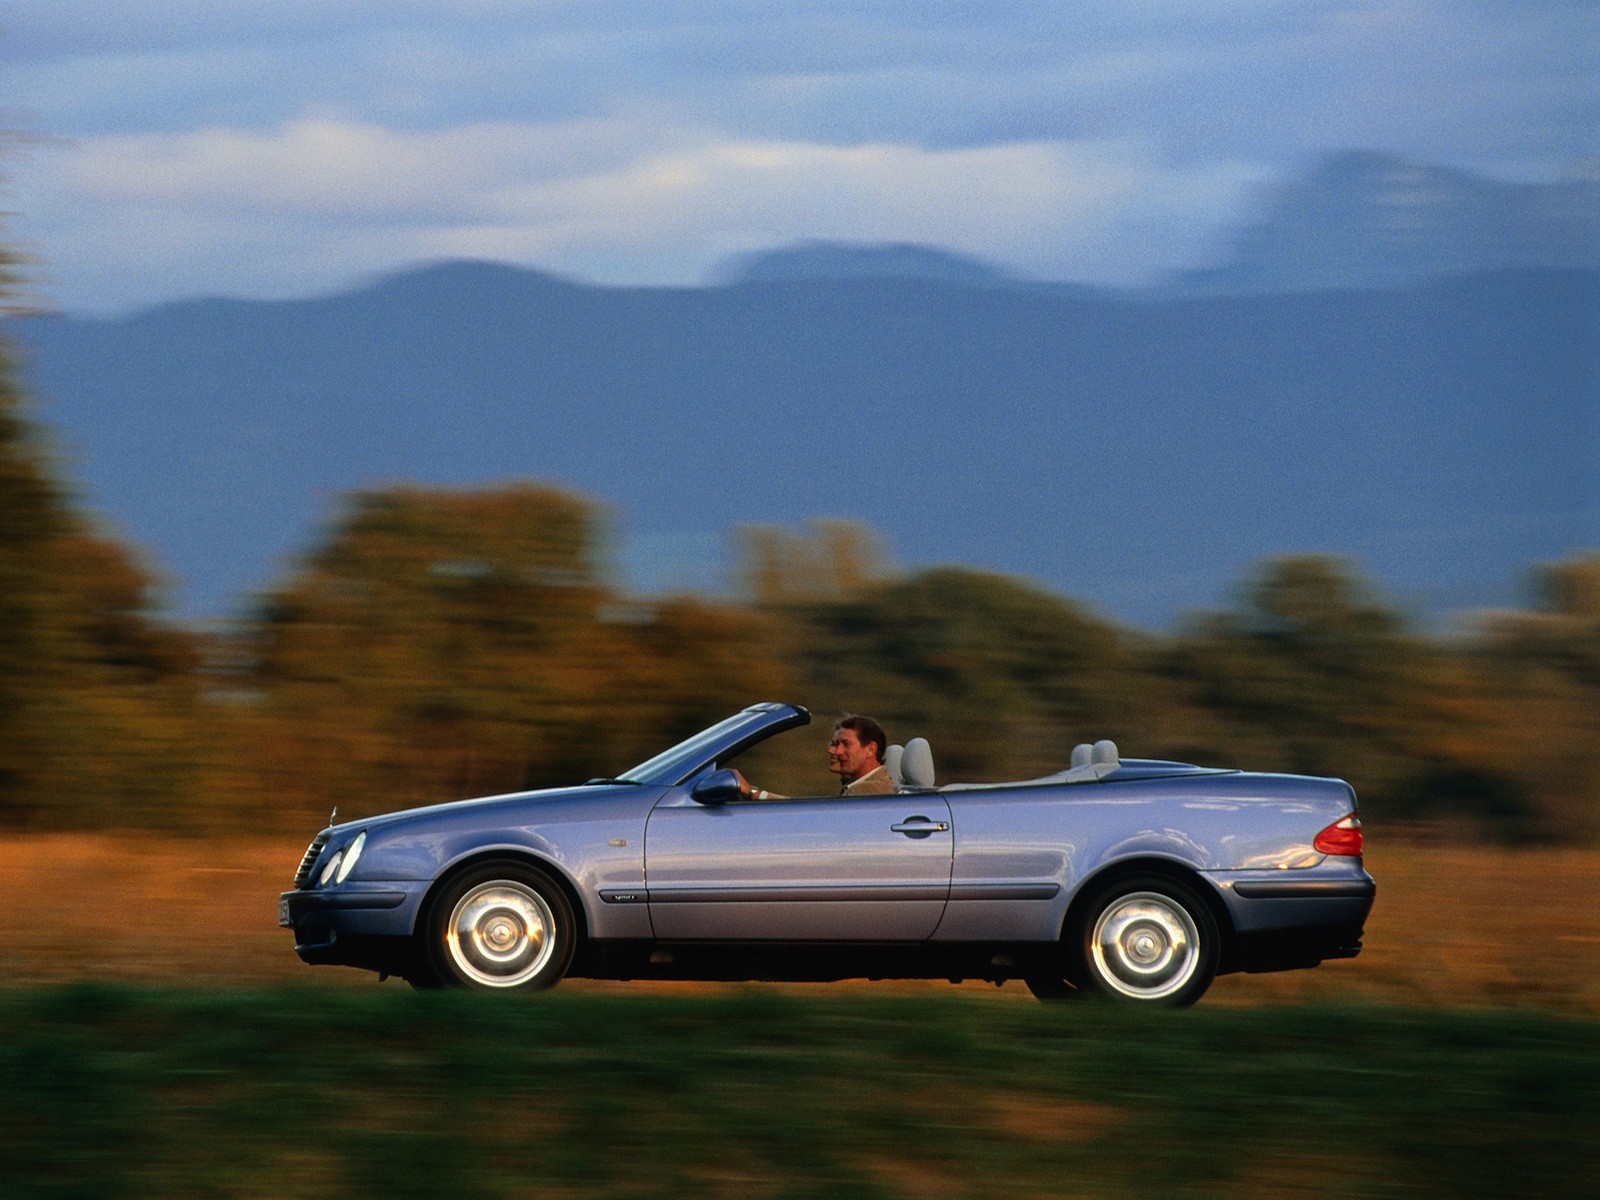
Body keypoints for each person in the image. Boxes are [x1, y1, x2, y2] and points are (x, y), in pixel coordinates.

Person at [736, 714, 896, 799]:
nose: (834, 751)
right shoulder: (864, 787)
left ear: (870, 750)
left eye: (846, 745)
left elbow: (810, 817)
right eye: (833, 744)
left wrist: (752, 792)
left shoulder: (870, 790)